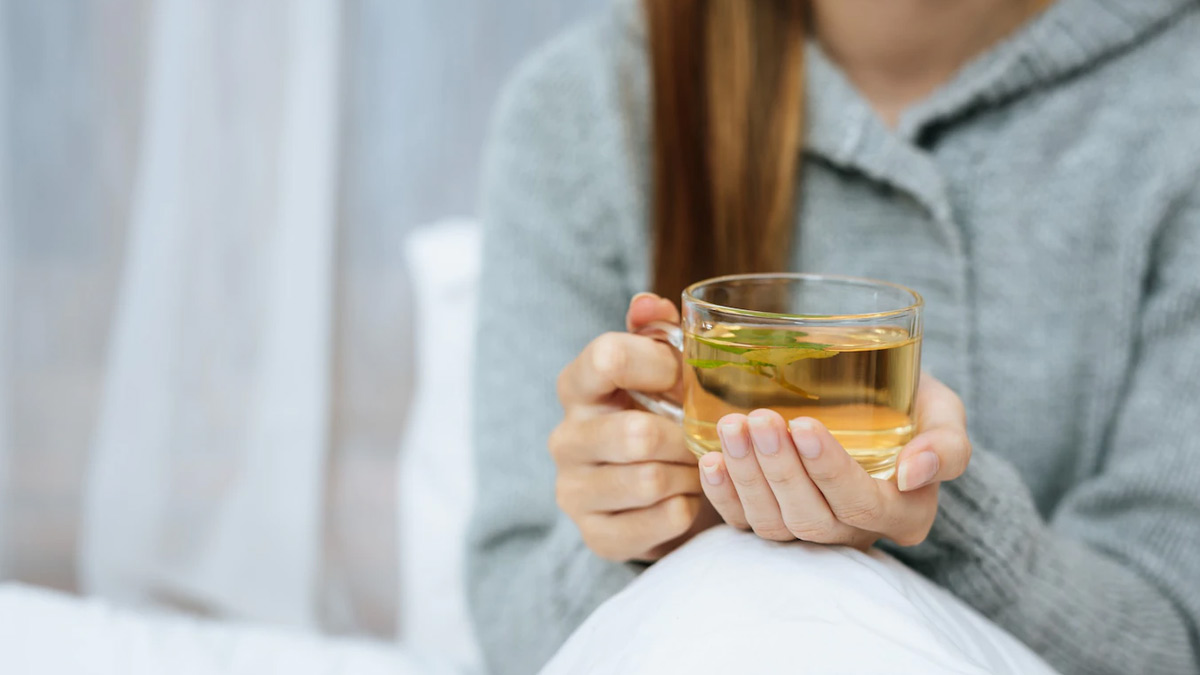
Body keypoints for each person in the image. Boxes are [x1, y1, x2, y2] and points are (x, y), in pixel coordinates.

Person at [467, 0, 1200, 673]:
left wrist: (947, 510)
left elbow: (1173, 635)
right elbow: (516, 633)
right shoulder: (587, 108)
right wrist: (654, 516)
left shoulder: (1176, 99)